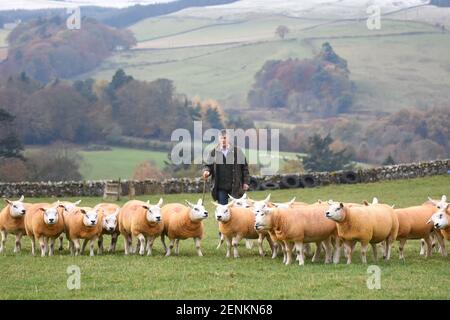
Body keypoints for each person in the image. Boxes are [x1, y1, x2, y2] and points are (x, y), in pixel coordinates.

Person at [202, 130, 250, 205]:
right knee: (223, 210)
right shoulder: (213, 152)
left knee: (236, 209)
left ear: (229, 138)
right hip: (221, 187)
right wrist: (206, 171)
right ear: (218, 139)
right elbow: (208, 165)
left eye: (225, 138)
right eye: (221, 138)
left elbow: (245, 168)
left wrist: (246, 182)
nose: (223, 140)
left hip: (236, 186)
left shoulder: (238, 151)